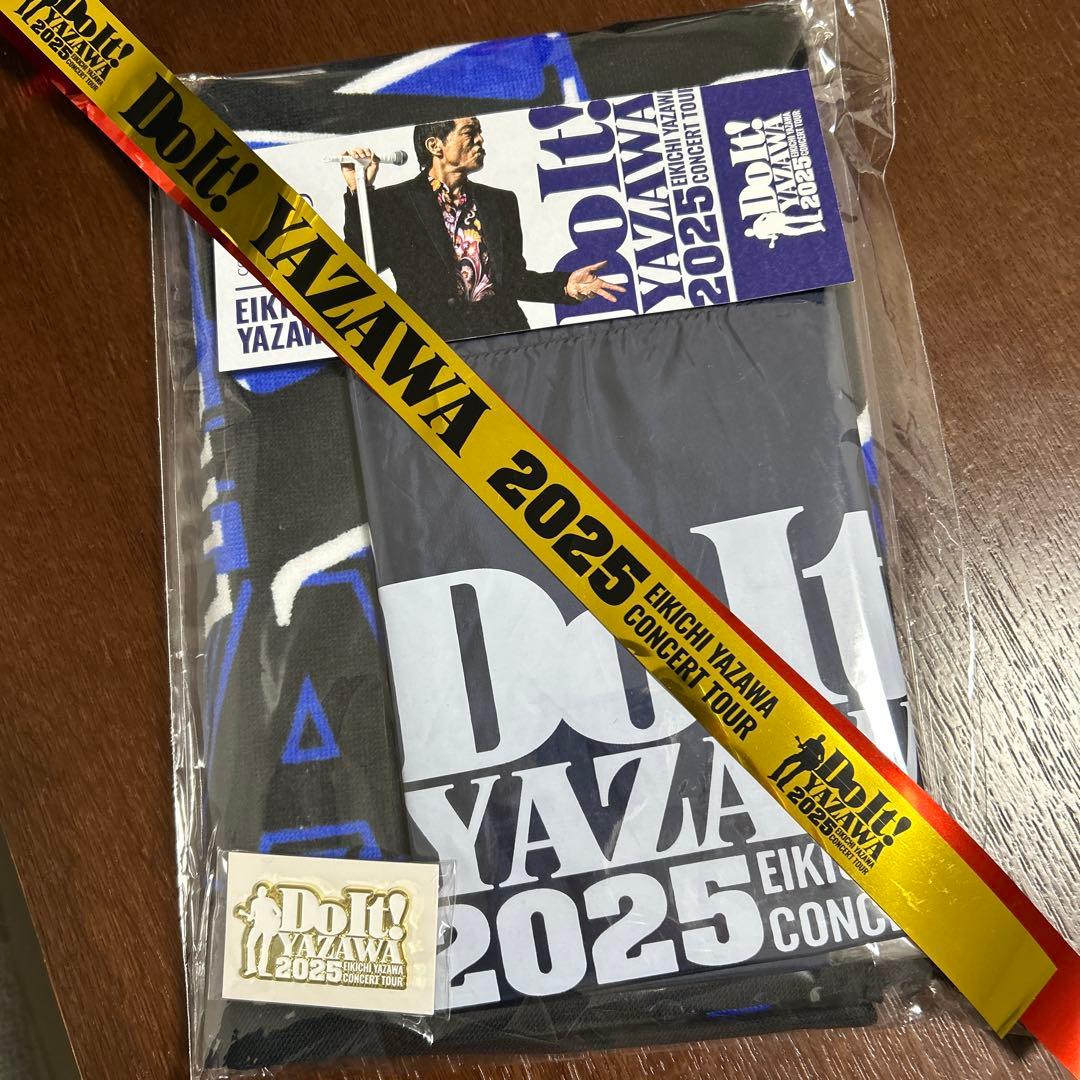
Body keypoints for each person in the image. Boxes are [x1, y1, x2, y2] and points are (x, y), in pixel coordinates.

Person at [340, 117, 624, 339]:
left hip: (503, 337)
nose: (480, 139)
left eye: (479, 131)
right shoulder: (395, 202)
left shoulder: (500, 202)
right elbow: (360, 265)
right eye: (469, 132)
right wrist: (358, 192)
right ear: (435, 145)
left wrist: (565, 286)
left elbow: (513, 279)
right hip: (434, 346)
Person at [235, 884, 282, 978]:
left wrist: (273, 922)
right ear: (258, 893)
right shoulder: (255, 902)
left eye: (264, 891)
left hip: (268, 927)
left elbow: (279, 913)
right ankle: (251, 968)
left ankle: (262, 970)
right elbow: (251, 916)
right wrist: (248, 917)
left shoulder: (270, 901)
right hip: (258, 926)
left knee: (265, 947)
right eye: (260, 891)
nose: (262, 893)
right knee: (250, 945)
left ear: (266, 892)